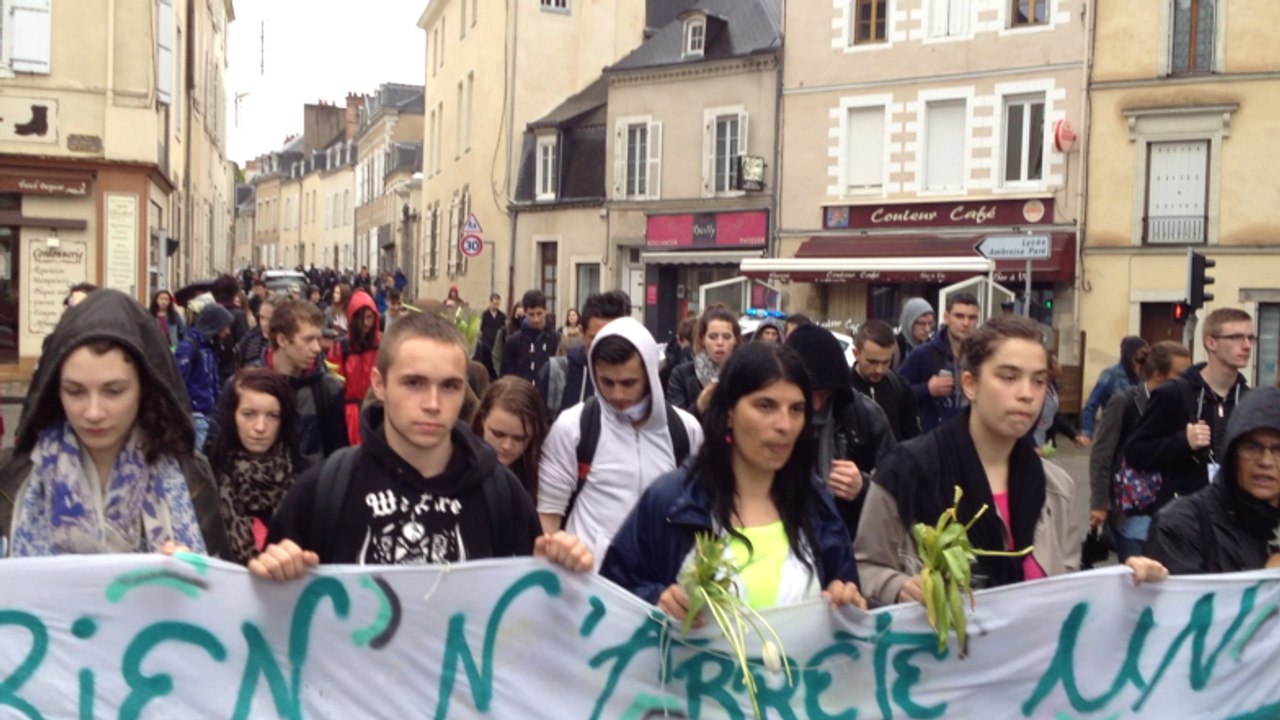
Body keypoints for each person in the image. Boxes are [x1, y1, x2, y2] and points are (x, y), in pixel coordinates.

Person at [248, 312, 593, 578]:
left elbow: (526, 618)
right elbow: (276, 624)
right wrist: (277, 571)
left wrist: (557, 571)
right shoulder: (325, 489)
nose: (432, 403)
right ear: (380, 385)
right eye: (414, 383)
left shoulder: (500, 493)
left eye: (450, 386)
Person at [856, 315, 1166, 607]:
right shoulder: (907, 471)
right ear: (970, 384)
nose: (1027, 394)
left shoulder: (1055, 487)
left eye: (1039, 381)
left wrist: (1122, 582)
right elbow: (864, 566)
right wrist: (896, 586)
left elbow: (1068, 590)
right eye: (1009, 377)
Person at [601, 342, 867, 614]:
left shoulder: (816, 503)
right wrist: (656, 601)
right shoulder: (672, 501)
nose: (784, 425)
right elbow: (610, 599)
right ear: (729, 412)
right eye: (765, 406)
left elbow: (848, 603)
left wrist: (847, 601)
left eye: (796, 409)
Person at [0, 289, 228, 558]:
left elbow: (222, 586)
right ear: (55, 390)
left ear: (144, 388)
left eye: (114, 391)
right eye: (75, 391)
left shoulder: (193, 475)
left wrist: (195, 578)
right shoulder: (11, 476)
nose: (93, 412)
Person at [538, 317, 704, 566]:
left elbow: (700, 510)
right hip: (586, 586)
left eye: (629, 383)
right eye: (607, 382)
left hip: (660, 588)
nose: (618, 394)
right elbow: (549, 515)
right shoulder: (573, 427)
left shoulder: (686, 430)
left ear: (649, 374)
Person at [1125, 308, 1253, 514]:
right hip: (1184, 518)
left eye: (1250, 338)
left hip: (1235, 516)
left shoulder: (1248, 399)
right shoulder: (1173, 393)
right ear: (1211, 343)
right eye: (1236, 337)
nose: (1246, 346)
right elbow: (1136, 452)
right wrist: (1183, 441)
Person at [1144, 387, 1280, 574]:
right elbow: (1187, 601)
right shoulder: (1182, 526)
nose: (1265, 461)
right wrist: (1265, 581)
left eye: (1279, 450)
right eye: (1252, 447)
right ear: (1231, 453)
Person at [786, 323, 896, 538]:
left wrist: (863, 487)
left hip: (851, 543)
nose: (817, 405)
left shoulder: (866, 415)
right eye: (809, 394)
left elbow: (898, 485)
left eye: (825, 394)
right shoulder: (772, 420)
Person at [1089, 341, 1192, 560]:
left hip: (1169, 507)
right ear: (1158, 375)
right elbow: (1102, 455)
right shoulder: (1124, 402)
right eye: (1181, 375)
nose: (1187, 382)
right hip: (1131, 509)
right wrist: (1100, 504)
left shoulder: (1183, 403)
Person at [207, 369, 305, 564]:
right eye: (249, 414)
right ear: (231, 416)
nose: (260, 427)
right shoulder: (208, 480)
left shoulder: (307, 481)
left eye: (273, 416)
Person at [264, 297, 348, 463]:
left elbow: (339, 461)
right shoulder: (244, 385)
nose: (317, 348)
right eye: (308, 340)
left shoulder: (328, 390)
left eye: (318, 339)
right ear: (282, 340)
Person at [536, 290, 630, 423]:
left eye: (611, 336)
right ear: (582, 332)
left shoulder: (635, 377)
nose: (603, 344)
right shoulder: (556, 374)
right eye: (595, 337)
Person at [898, 293, 979, 433]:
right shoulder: (923, 354)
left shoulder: (982, 355)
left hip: (971, 439)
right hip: (934, 442)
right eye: (959, 316)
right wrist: (927, 389)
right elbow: (896, 393)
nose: (966, 323)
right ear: (946, 318)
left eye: (972, 318)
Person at [473, 377, 548, 500]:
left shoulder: (547, 474)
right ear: (482, 420)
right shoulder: (456, 462)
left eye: (519, 438)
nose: (507, 446)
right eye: (498, 434)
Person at [850, 319, 921, 442]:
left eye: (886, 362)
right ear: (856, 353)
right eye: (872, 362)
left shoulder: (901, 388)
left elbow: (913, 441)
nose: (880, 370)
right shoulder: (842, 389)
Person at [176, 303, 235, 450]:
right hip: (196, 415)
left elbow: (213, 380)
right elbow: (178, 380)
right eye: (225, 326)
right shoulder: (189, 348)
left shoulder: (211, 348)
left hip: (209, 413)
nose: (228, 331)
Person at [667, 306, 740, 417]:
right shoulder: (681, 375)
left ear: (735, 340)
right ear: (703, 339)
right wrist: (699, 406)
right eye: (713, 337)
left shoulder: (744, 375)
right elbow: (676, 426)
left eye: (726, 337)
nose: (720, 342)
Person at [329, 289, 381, 445]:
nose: (366, 323)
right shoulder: (340, 347)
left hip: (376, 408)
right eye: (361, 318)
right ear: (353, 319)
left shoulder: (381, 344)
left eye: (370, 317)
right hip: (349, 412)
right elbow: (334, 383)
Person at [1079, 336, 1147, 441]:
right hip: (1114, 435)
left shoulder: (1145, 376)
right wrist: (1087, 432)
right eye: (1142, 353)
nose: (1145, 357)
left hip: (1138, 436)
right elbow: (1091, 404)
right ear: (1131, 354)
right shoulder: (1111, 374)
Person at [1031, 352, 1088, 453]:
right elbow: (1025, 423)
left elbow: (1055, 417)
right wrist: (1033, 446)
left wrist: (1074, 436)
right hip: (1031, 445)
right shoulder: (1035, 391)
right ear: (1048, 370)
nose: (1060, 366)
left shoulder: (1052, 387)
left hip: (1045, 444)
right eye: (1056, 363)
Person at [502, 290, 558, 382]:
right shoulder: (514, 341)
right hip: (522, 394)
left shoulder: (556, 339)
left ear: (546, 310)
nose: (536, 319)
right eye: (531, 314)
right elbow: (507, 377)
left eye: (539, 313)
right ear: (524, 312)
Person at [211, 274, 252, 384]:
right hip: (230, 371)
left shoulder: (210, 312)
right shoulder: (238, 314)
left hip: (211, 368)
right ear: (234, 293)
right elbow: (244, 342)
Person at [236, 292, 276, 369]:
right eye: (262, 318)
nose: (265, 324)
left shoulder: (289, 343)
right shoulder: (249, 340)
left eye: (270, 319)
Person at [894, 297, 935, 369]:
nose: (927, 329)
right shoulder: (895, 346)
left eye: (930, 323)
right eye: (922, 323)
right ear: (909, 323)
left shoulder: (932, 347)